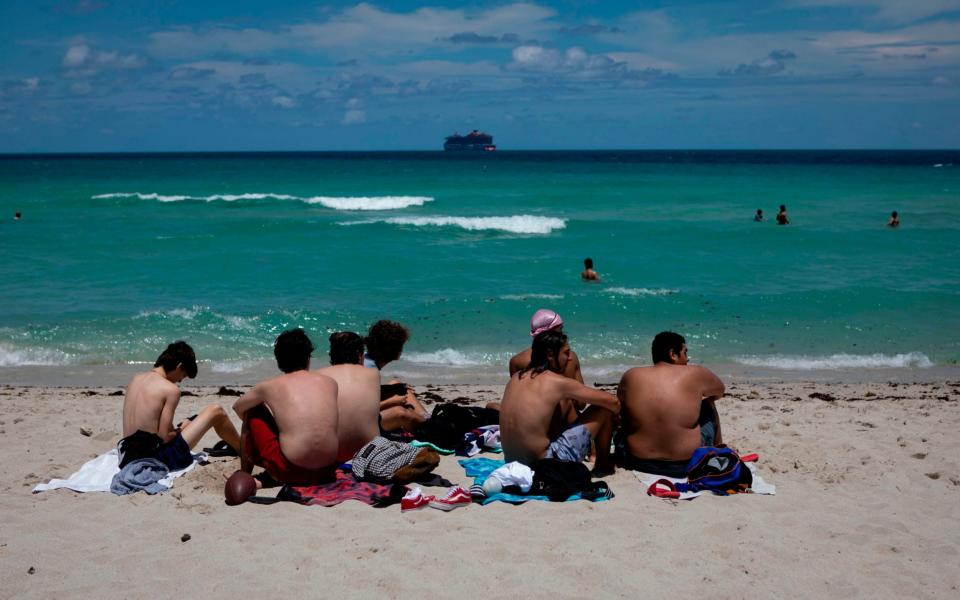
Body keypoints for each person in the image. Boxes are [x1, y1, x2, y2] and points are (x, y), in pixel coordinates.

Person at [500, 330, 619, 475]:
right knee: (603, 409)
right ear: (550, 354)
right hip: (545, 466)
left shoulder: (516, 378)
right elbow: (611, 401)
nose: (569, 359)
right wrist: (618, 418)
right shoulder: (555, 382)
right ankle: (603, 465)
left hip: (511, 464)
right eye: (566, 353)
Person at [233, 329, 339, 485]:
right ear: (308, 358)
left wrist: (269, 427)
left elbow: (238, 408)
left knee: (252, 409)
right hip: (327, 471)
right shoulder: (330, 383)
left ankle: (245, 475)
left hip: (290, 471)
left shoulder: (270, 386)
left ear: (279, 360)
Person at [616, 331, 726, 477]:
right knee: (708, 404)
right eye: (685, 353)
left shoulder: (630, 375)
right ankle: (719, 451)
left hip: (638, 461)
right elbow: (719, 392)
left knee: (625, 410)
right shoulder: (697, 373)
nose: (687, 359)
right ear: (673, 354)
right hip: (685, 464)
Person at [118, 341, 240, 470]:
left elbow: (149, 428)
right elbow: (164, 438)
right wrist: (180, 430)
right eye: (183, 375)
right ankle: (242, 450)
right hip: (151, 460)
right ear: (179, 366)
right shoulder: (171, 389)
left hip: (126, 457)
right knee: (216, 411)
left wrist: (176, 430)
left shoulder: (136, 379)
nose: (181, 380)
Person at [315, 332, 381, 462]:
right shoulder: (373, 373)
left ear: (331, 355)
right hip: (369, 454)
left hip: (333, 455)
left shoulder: (319, 375)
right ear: (359, 354)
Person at [363, 319, 429, 432]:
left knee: (396, 384)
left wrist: (392, 390)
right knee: (400, 413)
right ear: (395, 350)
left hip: (357, 414)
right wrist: (392, 402)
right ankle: (429, 428)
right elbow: (363, 410)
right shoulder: (369, 370)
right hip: (358, 425)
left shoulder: (365, 359)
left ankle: (426, 419)